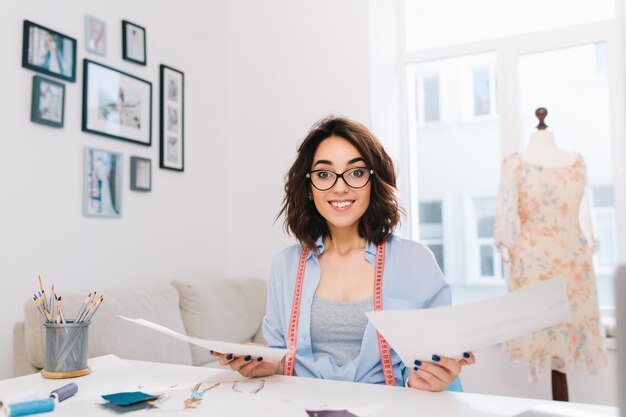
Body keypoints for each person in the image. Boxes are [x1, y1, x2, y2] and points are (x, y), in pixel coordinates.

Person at [213, 116, 475, 391]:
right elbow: (282, 357)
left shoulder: (416, 261)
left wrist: (427, 377)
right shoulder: (284, 266)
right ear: (310, 187)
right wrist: (266, 362)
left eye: (356, 172)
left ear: (374, 181)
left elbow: (436, 357)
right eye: (324, 174)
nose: (340, 187)